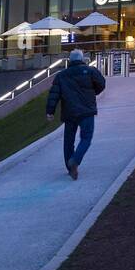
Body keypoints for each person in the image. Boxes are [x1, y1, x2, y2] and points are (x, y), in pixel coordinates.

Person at [45, 48, 106, 180]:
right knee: (86, 138)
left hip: (69, 112)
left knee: (68, 141)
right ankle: (75, 160)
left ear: (70, 60)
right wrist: (92, 93)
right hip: (86, 110)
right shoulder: (90, 71)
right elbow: (101, 83)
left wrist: (50, 112)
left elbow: (54, 95)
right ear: (82, 59)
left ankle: (69, 166)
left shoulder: (61, 75)